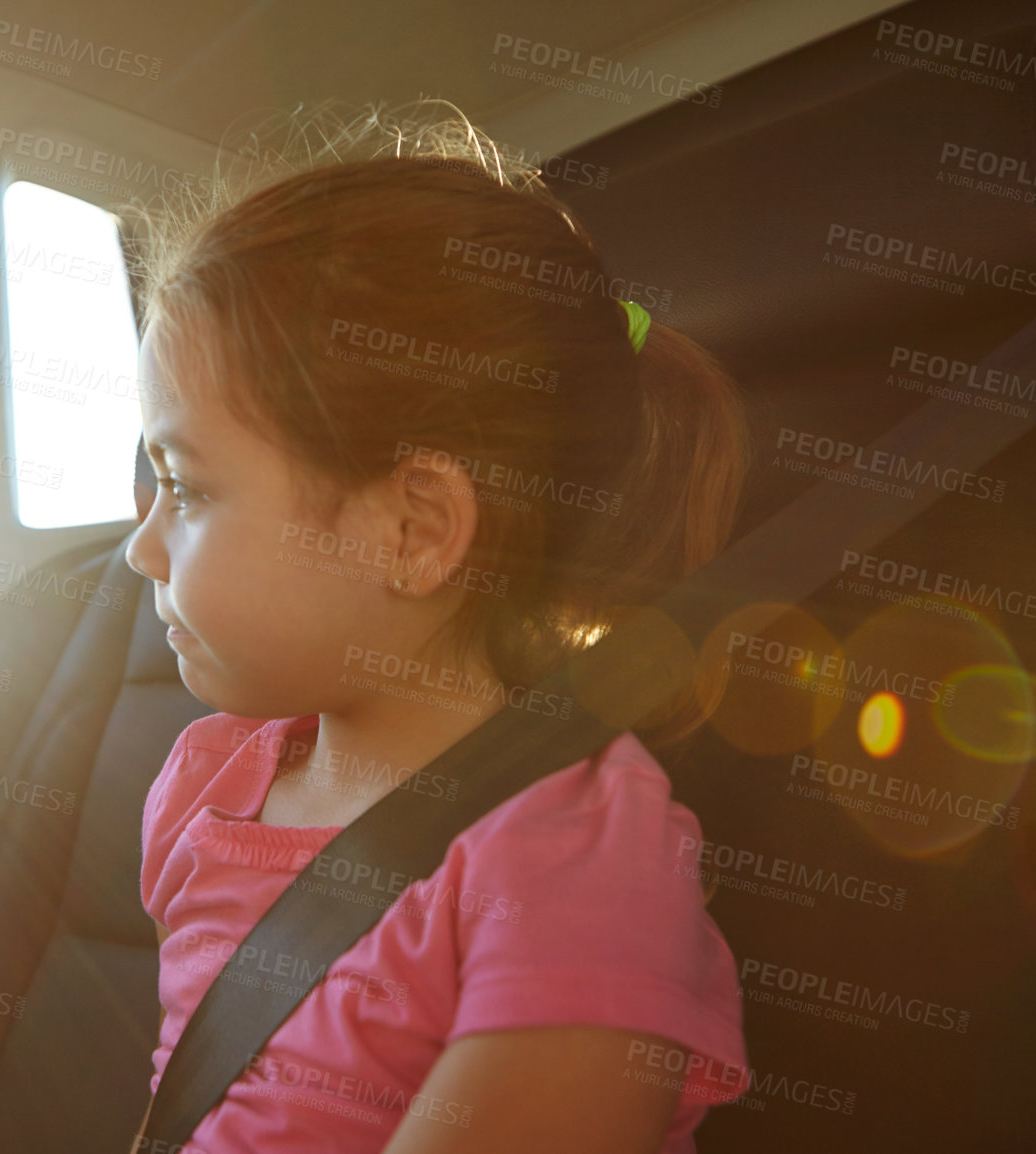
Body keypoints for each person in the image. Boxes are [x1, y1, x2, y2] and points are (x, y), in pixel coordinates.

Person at [122, 99, 751, 1154]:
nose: (141, 547)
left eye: (182, 488)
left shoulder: (576, 862)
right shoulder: (207, 782)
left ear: (413, 528)